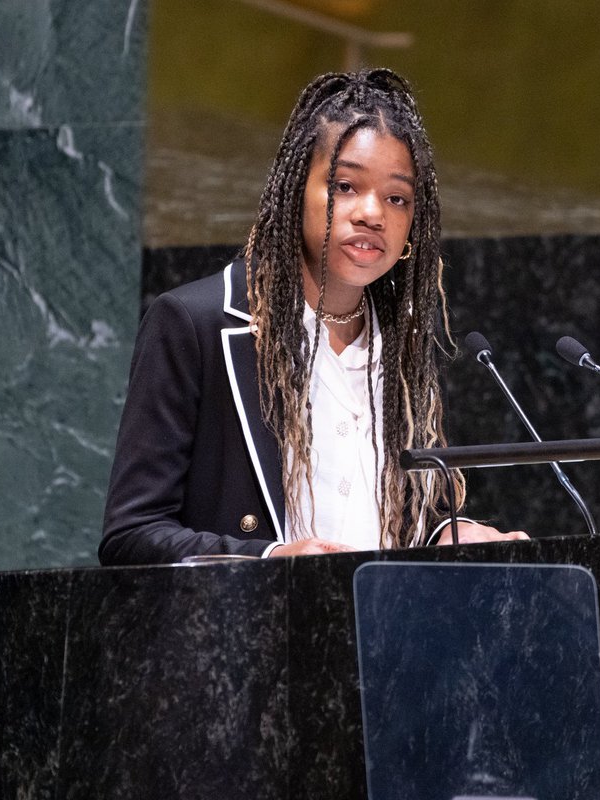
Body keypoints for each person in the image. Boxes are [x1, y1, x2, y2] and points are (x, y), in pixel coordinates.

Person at [100, 69, 526, 565]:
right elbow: (132, 535)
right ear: (295, 190)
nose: (372, 213)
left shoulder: (407, 347)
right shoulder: (194, 325)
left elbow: (393, 520)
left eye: (397, 198)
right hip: (249, 635)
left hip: (380, 634)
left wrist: (448, 536)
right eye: (345, 185)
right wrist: (271, 562)